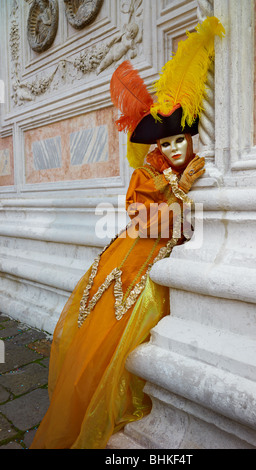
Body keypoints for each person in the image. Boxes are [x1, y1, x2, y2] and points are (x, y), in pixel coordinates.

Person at [30, 17, 224, 449]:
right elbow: (142, 216)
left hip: (159, 259)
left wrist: (178, 198)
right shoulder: (147, 175)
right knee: (102, 333)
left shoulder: (189, 171)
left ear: (190, 141)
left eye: (180, 142)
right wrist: (178, 191)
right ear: (159, 147)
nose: (174, 150)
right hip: (131, 256)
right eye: (167, 144)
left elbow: (181, 223)